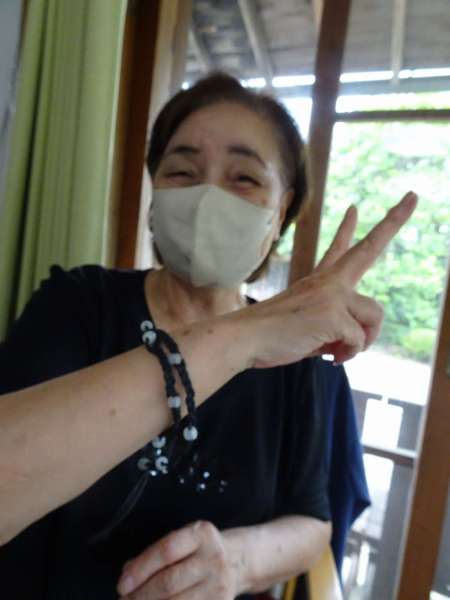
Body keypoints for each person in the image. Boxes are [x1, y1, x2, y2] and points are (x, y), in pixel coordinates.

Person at [0, 72, 417, 599]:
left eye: (244, 178)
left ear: (280, 210)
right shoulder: (77, 303)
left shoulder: (299, 360)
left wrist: (238, 561)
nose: (207, 197)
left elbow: (312, 522)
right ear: (154, 194)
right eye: (182, 171)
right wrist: (243, 338)